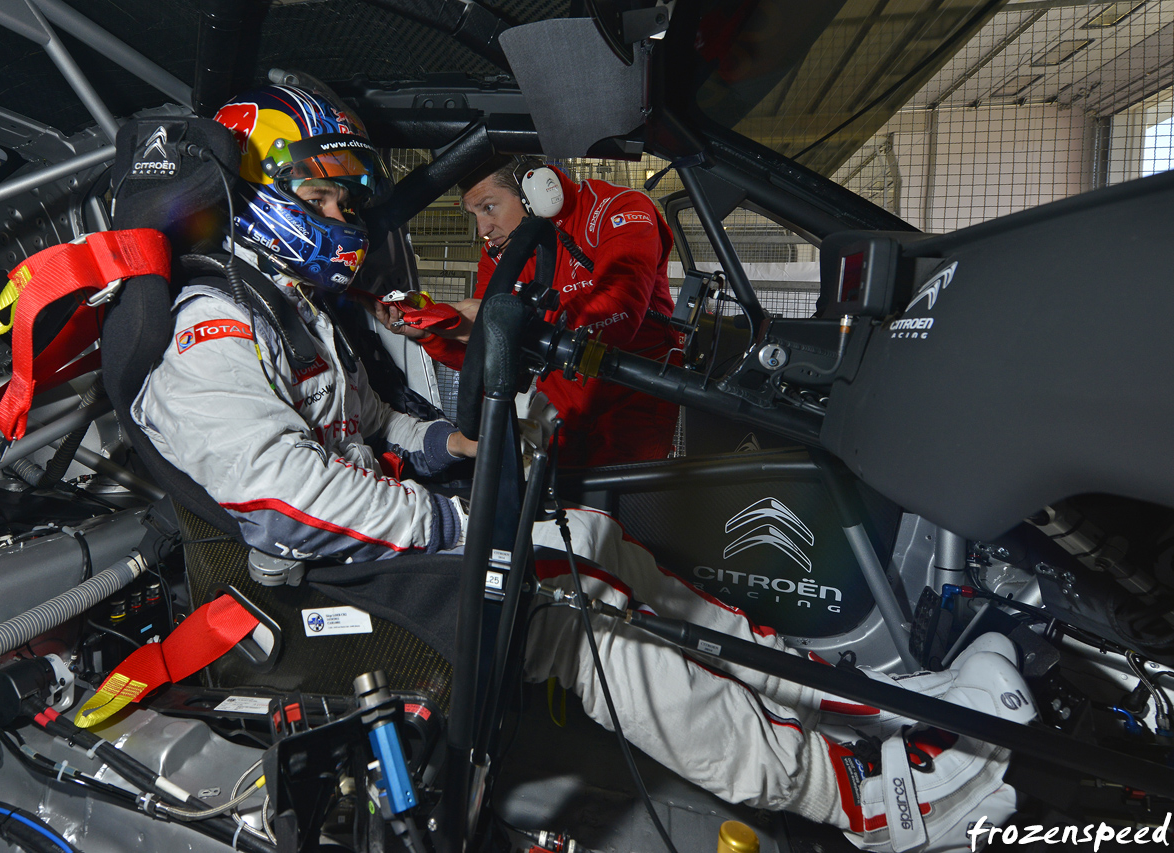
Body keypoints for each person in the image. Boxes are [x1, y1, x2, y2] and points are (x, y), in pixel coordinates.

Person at [131, 83, 1033, 852]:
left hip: (359, 554)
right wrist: (459, 519)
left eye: (347, 197)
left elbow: (364, 419)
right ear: (257, 195)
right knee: (577, 604)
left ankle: (867, 702)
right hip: (303, 599)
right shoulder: (212, 331)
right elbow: (284, 503)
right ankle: (864, 800)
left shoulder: (283, 308)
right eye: (323, 197)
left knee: (591, 532)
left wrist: (434, 445)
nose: (343, 216)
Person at [376, 155, 682, 468]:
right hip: (562, 404)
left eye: (489, 207)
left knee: (616, 509)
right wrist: (433, 333)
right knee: (551, 506)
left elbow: (618, 315)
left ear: (535, 190)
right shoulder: (500, 255)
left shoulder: (619, 209)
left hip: (635, 395)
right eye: (474, 214)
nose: (483, 228)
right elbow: (485, 356)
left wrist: (509, 326)